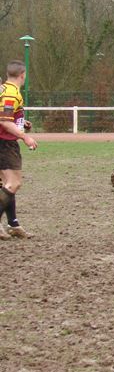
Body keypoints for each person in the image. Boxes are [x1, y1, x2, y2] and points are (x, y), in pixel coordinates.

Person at [0, 61, 38, 239]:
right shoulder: (12, 93)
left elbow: (7, 116)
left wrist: (22, 124)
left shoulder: (3, 89)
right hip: (5, 142)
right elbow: (4, 121)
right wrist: (25, 137)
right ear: (23, 74)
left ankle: (13, 223)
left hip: (3, 140)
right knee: (13, 183)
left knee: (7, 184)